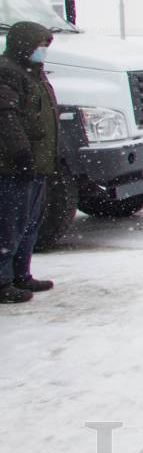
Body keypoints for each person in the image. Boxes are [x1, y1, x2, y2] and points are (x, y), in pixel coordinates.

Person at [0, 21, 57, 303]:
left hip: (37, 163)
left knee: (29, 223)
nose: (43, 50)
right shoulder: (8, 72)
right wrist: (21, 154)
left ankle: (21, 274)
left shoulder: (33, 72)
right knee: (10, 225)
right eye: (40, 45)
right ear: (24, 45)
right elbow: (7, 118)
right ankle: (3, 281)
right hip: (15, 165)